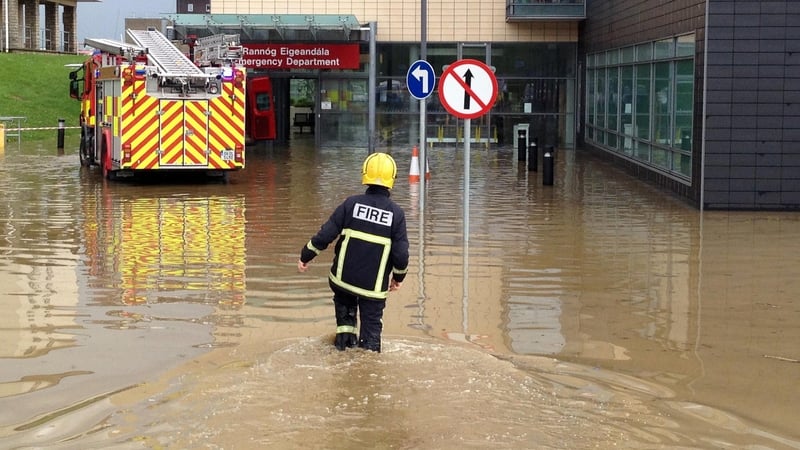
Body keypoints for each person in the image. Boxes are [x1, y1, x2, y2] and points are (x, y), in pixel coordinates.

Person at [297, 152, 409, 352]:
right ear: (392, 178)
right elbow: (401, 254)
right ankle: (367, 360)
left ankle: (343, 346)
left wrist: (306, 256)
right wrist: (398, 278)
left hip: (342, 282)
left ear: (365, 174)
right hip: (372, 289)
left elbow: (325, 235)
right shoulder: (396, 215)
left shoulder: (351, 204)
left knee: (345, 325)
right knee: (371, 335)